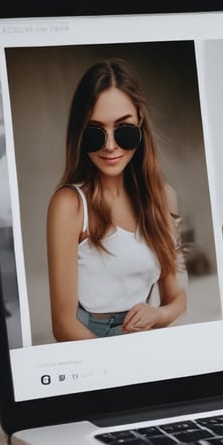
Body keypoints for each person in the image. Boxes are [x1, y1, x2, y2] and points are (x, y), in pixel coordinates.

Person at [47, 59, 186, 340]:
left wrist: (158, 314)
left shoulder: (163, 198)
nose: (110, 145)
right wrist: (112, 365)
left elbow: (177, 297)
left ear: (141, 123)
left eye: (124, 130)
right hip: (90, 338)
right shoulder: (69, 205)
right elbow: (63, 326)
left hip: (147, 335)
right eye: (95, 133)